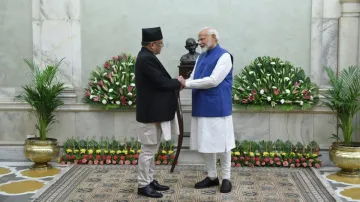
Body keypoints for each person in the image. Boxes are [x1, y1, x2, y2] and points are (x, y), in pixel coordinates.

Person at [179, 27, 235, 193]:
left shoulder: (224, 56)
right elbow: (194, 77)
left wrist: (186, 84)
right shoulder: (201, 57)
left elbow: (213, 81)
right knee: (207, 142)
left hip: (219, 106)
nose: (199, 42)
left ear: (213, 37)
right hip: (202, 105)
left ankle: (226, 177)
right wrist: (181, 84)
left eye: (202, 39)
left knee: (224, 144)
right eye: (199, 39)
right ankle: (212, 176)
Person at [135, 26, 184, 198]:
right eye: (160, 44)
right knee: (148, 150)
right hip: (150, 114)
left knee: (152, 149)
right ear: (151, 44)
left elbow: (159, 82)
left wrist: (175, 82)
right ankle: (143, 185)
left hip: (153, 113)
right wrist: (178, 82)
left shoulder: (147, 56)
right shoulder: (145, 59)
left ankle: (150, 180)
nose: (162, 46)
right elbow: (161, 82)